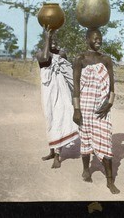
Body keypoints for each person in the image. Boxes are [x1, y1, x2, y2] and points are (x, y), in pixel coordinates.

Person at [72, 28, 119, 194]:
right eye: (95, 38)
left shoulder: (106, 59)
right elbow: (76, 87)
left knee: (106, 140)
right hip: (84, 106)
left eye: (100, 38)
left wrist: (109, 104)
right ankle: (86, 169)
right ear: (87, 39)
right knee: (85, 138)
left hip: (101, 108)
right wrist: (76, 109)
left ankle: (109, 181)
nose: (98, 40)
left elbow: (113, 86)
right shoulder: (80, 59)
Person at [36, 27, 79, 169]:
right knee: (50, 119)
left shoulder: (62, 54)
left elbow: (68, 73)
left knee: (60, 117)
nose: (54, 42)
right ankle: (51, 151)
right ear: (46, 40)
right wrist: (47, 38)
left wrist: (75, 92)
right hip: (48, 93)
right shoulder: (40, 54)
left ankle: (57, 156)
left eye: (55, 39)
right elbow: (45, 58)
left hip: (62, 92)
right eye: (51, 39)